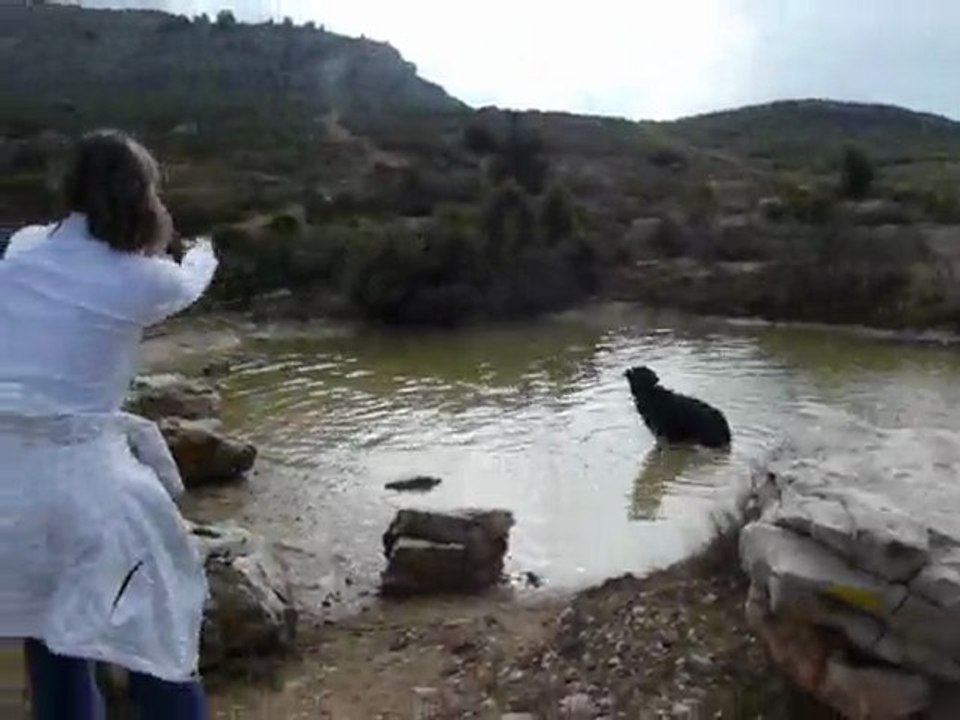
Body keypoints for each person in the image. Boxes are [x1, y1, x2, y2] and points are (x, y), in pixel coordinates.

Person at [0, 130, 218, 719]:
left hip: (5, 484)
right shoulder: (145, 279)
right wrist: (203, 250)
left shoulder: (22, 250)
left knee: (51, 636)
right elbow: (192, 280)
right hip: (81, 477)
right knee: (157, 633)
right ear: (141, 195)